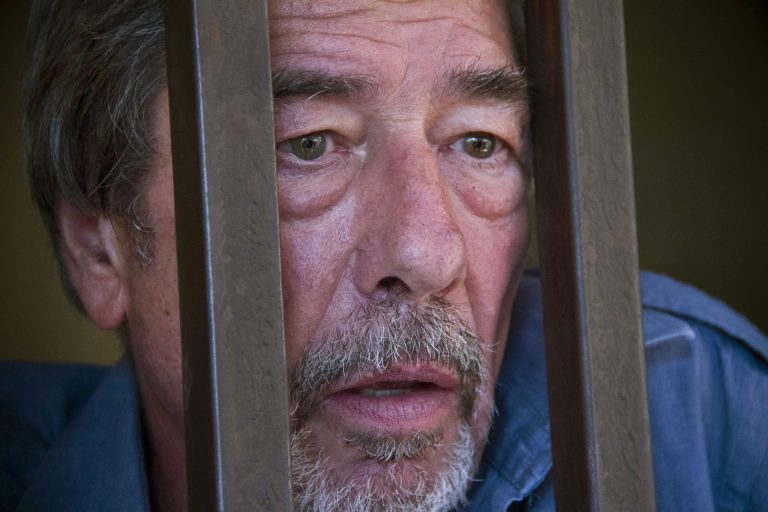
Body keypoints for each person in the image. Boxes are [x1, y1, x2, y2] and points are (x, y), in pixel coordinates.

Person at [2, 0, 766, 510]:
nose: (428, 254)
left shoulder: (689, 405)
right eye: (308, 145)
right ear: (97, 249)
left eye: (478, 142)